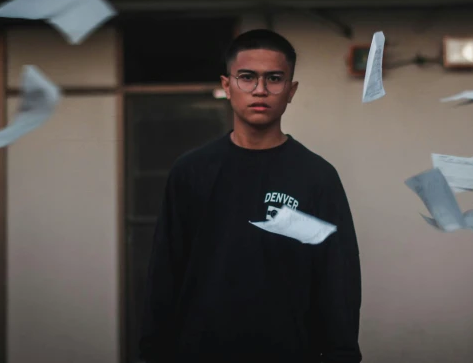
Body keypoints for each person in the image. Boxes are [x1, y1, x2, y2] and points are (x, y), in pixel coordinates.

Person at [139, 29, 362, 363]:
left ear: (291, 90)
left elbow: (337, 282)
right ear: (227, 86)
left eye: (274, 78)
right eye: (247, 77)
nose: (260, 89)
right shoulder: (191, 171)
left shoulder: (317, 177)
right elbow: (164, 274)